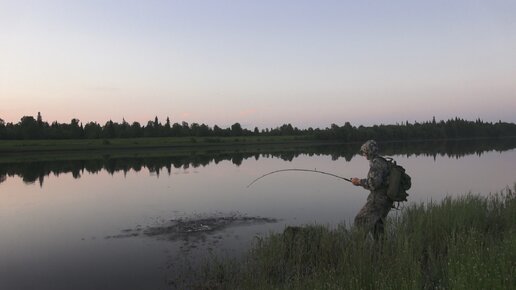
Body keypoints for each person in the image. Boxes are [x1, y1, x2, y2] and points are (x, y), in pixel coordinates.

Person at [351, 140, 393, 238]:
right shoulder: (382, 161)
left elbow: (374, 184)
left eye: (364, 152)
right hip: (386, 200)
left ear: (368, 152)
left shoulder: (376, 164)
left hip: (378, 200)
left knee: (360, 220)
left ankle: (358, 247)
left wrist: (358, 182)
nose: (363, 154)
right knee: (377, 226)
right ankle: (380, 251)